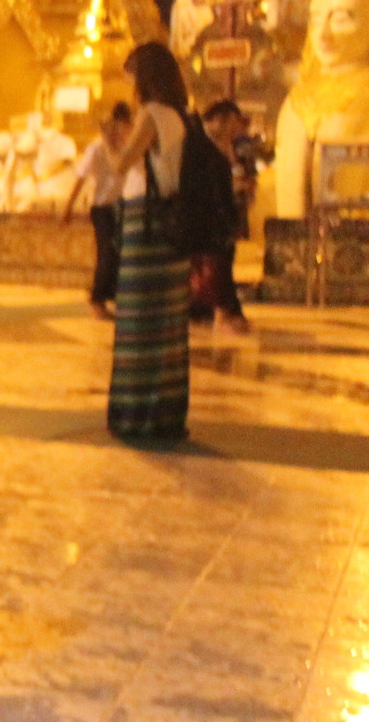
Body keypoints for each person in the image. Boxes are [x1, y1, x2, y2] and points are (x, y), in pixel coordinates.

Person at [105, 42, 192, 441]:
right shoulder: (178, 115)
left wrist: (108, 140)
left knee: (138, 323)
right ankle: (165, 411)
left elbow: (122, 164)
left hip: (147, 224)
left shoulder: (153, 114)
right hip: (173, 228)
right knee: (167, 326)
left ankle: (136, 415)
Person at [63, 103, 130, 320]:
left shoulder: (126, 147)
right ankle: (97, 299)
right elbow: (80, 178)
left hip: (122, 206)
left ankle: (111, 297)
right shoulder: (96, 149)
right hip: (102, 207)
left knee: (119, 254)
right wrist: (68, 207)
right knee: (107, 254)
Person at [192, 102, 252, 333]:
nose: (236, 132)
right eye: (234, 125)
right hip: (206, 215)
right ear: (220, 119)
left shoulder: (222, 145)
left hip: (221, 215)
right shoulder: (199, 142)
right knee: (213, 264)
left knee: (220, 262)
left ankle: (221, 311)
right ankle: (222, 312)